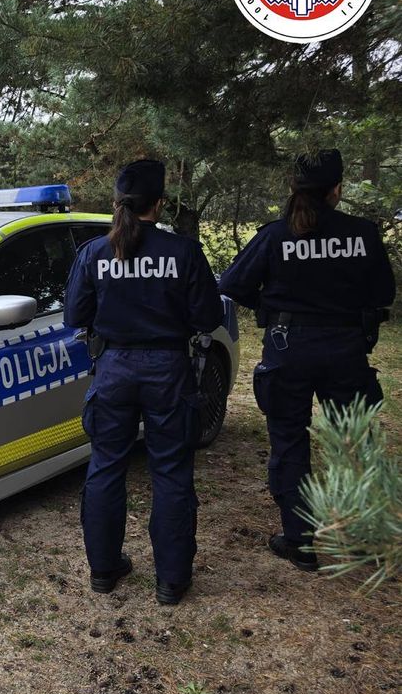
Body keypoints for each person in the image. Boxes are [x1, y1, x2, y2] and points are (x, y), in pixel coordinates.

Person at [218, 149, 395, 572]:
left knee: (289, 440)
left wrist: (272, 305)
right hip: (347, 348)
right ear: (337, 190)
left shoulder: (275, 235)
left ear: (293, 188)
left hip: (288, 347)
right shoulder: (363, 234)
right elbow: (383, 293)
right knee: (353, 443)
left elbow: (231, 284)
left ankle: (300, 541)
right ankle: (362, 536)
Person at [65, 159, 222, 605]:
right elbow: (208, 316)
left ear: (118, 203)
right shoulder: (183, 252)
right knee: (171, 471)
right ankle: (171, 580)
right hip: (169, 370)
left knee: (106, 465)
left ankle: (103, 569)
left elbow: (75, 316)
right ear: (160, 203)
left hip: (113, 368)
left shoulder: (94, 253)